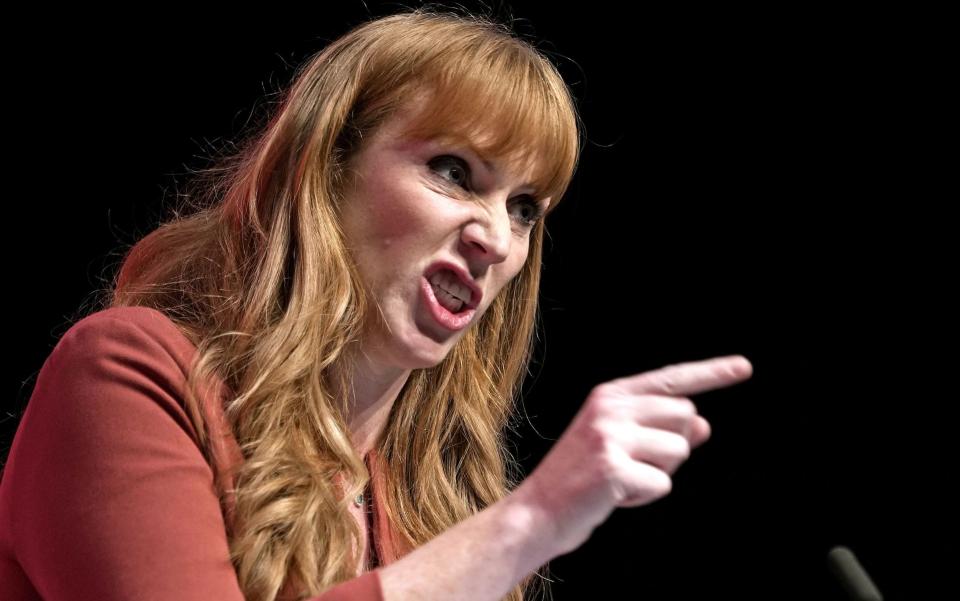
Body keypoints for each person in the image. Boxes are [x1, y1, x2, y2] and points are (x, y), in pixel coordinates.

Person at [0, 8, 753, 601]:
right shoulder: (128, 375)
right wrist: (530, 521)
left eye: (525, 206)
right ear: (325, 170)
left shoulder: (433, 508)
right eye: (454, 172)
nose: (496, 236)